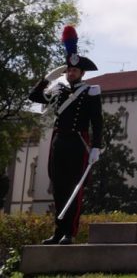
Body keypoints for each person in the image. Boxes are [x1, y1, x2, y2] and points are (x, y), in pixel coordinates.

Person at [27, 25, 103, 245]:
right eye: (69, 70)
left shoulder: (90, 92)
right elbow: (34, 97)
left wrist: (96, 146)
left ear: (82, 73)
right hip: (59, 142)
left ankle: (70, 232)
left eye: (75, 71)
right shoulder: (58, 90)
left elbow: (97, 121)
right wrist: (47, 78)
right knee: (59, 188)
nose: (71, 73)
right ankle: (58, 232)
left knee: (74, 189)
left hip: (78, 143)